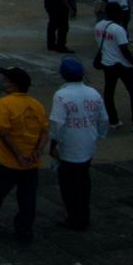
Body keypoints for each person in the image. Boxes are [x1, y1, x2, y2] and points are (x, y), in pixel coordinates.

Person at [0, 66, 48, 243]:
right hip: (31, 163)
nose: (3, 82)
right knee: (27, 200)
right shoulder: (36, 105)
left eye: (6, 80)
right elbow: (44, 131)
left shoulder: (4, 104)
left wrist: (19, 154)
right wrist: (38, 151)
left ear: (14, 85)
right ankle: (24, 231)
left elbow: (4, 133)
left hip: (5, 161)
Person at [47, 56, 109, 230]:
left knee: (68, 184)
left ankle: (74, 216)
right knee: (83, 180)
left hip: (70, 144)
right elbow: (104, 118)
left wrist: (53, 145)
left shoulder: (61, 95)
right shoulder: (93, 92)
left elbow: (58, 124)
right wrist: (99, 135)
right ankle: (83, 213)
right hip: (88, 141)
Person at [94, 1, 133, 132]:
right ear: (117, 13)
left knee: (109, 91)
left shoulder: (98, 26)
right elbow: (124, 49)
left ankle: (113, 120)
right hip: (122, 65)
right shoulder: (118, 29)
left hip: (107, 63)